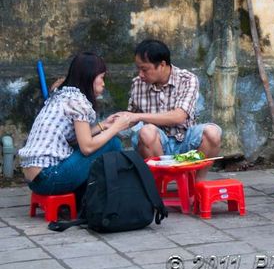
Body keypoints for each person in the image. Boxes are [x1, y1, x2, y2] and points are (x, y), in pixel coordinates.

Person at [19, 53, 131, 196]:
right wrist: (117, 127)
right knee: (113, 143)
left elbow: (73, 140)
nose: (104, 83)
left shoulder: (62, 95)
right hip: (50, 177)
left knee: (106, 140)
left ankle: (89, 195)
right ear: (89, 77)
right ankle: (113, 195)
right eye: (102, 77)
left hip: (34, 180)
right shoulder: (78, 101)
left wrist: (104, 125)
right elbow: (87, 147)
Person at [122, 39, 221, 180]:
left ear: (162, 65)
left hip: (186, 142)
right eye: (138, 69)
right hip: (156, 145)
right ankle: (157, 184)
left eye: (144, 69)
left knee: (213, 132)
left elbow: (178, 117)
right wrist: (110, 125)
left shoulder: (187, 79)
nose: (140, 74)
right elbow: (131, 117)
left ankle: (197, 182)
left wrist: (139, 117)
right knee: (146, 132)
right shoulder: (138, 84)